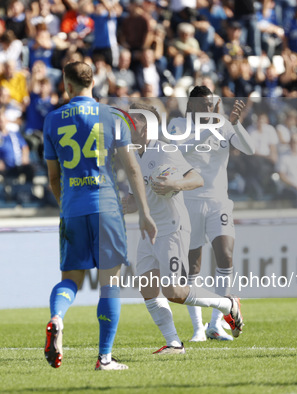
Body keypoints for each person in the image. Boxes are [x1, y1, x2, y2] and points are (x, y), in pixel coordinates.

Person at [42, 62, 157, 371]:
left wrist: (65, 204)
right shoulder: (112, 116)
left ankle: (57, 318)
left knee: (71, 280)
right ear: (95, 82)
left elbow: (53, 178)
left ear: (66, 85)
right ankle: (104, 357)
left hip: (73, 207)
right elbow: (132, 168)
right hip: (106, 205)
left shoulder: (52, 121)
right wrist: (144, 212)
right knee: (110, 283)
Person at [123, 103, 237, 353]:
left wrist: (175, 182)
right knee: (148, 289)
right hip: (149, 232)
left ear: (148, 126)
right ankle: (174, 342)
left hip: (173, 229)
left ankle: (227, 305)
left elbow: (197, 178)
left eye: (135, 119)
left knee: (174, 290)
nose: (129, 123)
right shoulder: (131, 155)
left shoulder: (165, 150)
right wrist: (119, 205)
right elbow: (134, 198)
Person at [168, 86, 254, 341]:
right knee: (191, 267)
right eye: (204, 103)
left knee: (225, 255)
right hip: (189, 201)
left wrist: (235, 125)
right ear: (192, 104)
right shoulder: (178, 124)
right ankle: (197, 329)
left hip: (218, 202)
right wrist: (210, 129)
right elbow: (176, 151)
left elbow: (249, 149)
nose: (209, 107)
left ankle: (216, 323)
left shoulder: (223, 124)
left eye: (211, 103)